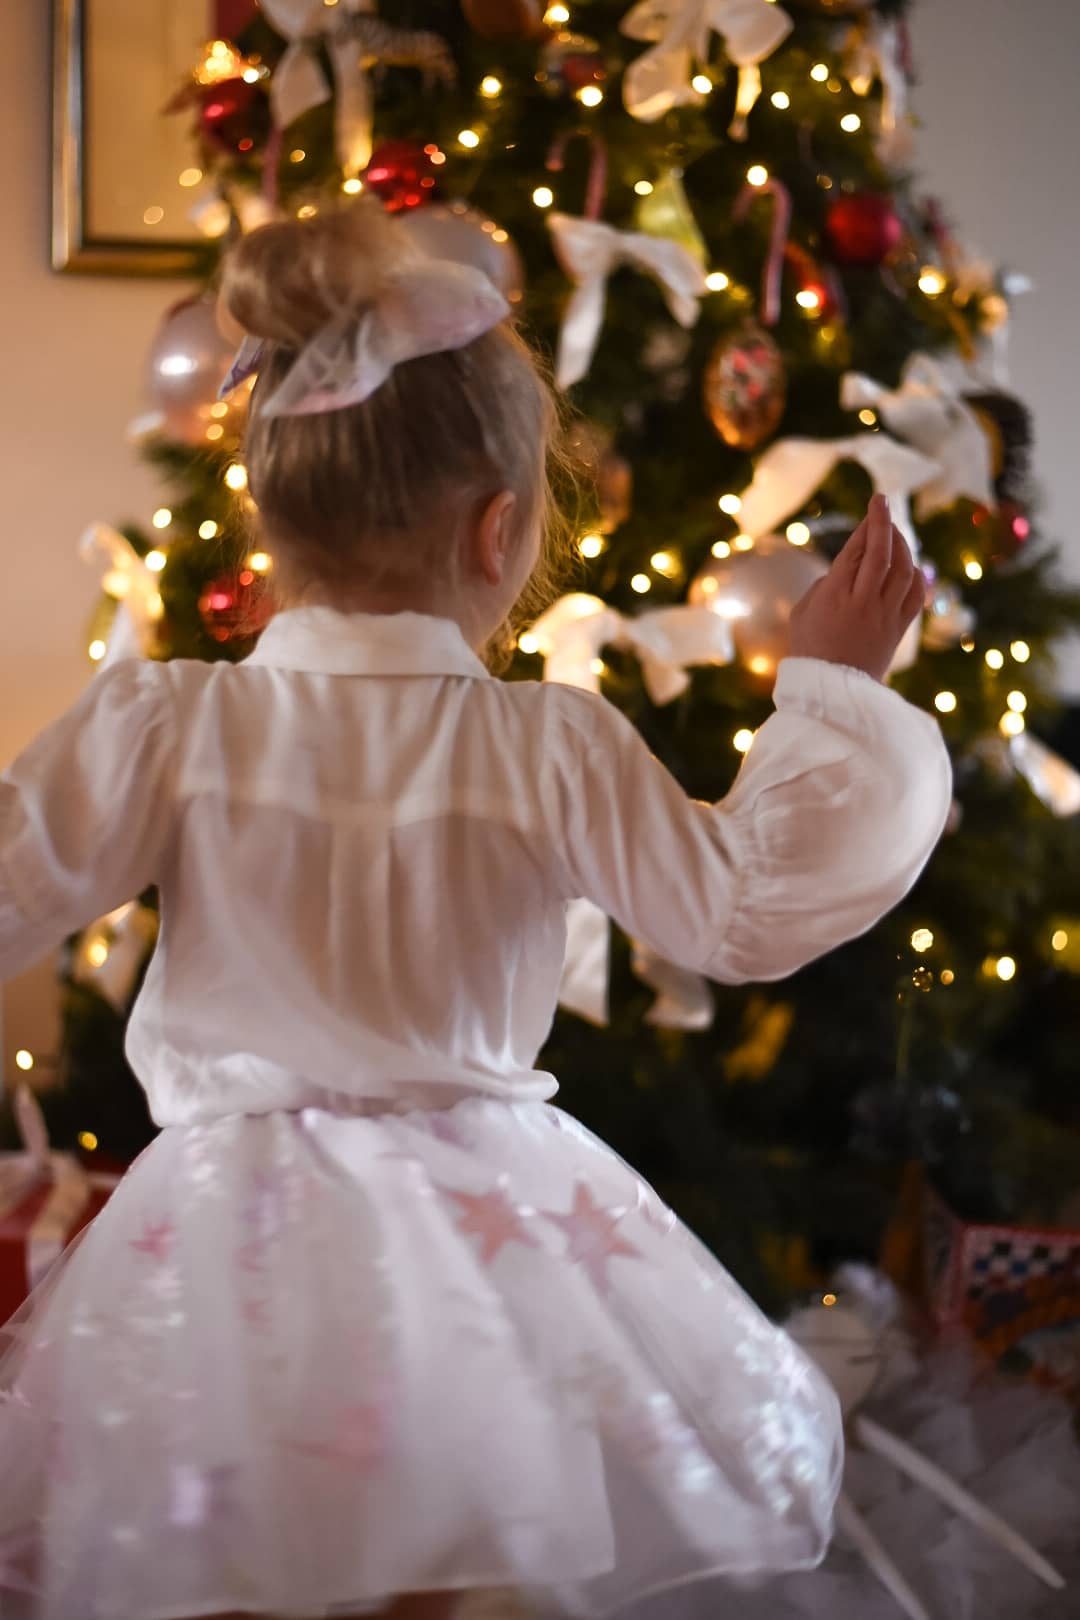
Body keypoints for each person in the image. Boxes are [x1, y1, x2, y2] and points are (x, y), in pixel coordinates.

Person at [0, 202, 951, 1620]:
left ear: (271, 525)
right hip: (488, 1231)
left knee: (229, 1562)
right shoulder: (549, 742)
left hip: (220, 1239)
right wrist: (832, 691)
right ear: (502, 527)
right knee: (459, 1567)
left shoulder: (167, 722)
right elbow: (743, 910)